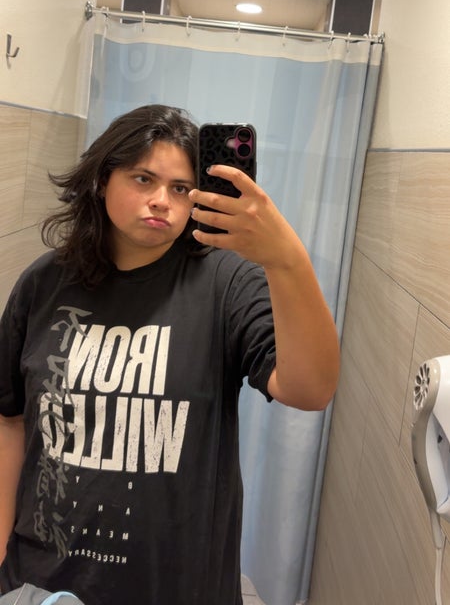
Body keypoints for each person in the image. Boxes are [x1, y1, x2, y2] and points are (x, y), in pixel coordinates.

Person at [0, 104, 339, 605]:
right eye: (143, 179)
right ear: (102, 180)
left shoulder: (228, 283)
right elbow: (10, 420)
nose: (162, 201)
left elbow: (311, 390)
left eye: (181, 188)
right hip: (41, 583)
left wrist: (286, 259)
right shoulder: (43, 283)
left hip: (178, 585)